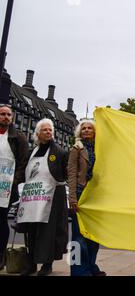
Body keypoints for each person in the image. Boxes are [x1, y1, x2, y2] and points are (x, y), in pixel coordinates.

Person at [18, 118, 68, 276]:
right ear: (38, 133)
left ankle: (47, 264)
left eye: (50, 130)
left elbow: (65, 174)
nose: (48, 132)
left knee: (48, 232)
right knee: (31, 231)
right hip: (32, 197)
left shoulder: (60, 152)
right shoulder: (31, 152)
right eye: (45, 130)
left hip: (52, 197)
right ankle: (31, 263)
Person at [68, 119, 106, 276]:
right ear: (79, 132)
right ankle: (77, 270)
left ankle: (91, 266)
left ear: (95, 132)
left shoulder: (100, 150)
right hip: (80, 194)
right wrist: (72, 198)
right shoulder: (76, 149)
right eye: (84, 128)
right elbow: (71, 174)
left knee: (94, 235)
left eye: (90, 128)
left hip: (95, 196)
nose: (87, 130)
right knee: (78, 237)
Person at [0, 104, 28, 271]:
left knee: (1, 220)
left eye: (8, 114)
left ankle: (1, 255)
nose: (5, 117)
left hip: (7, 187)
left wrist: (14, 182)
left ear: (12, 117)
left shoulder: (19, 137)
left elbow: (23, 163)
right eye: (2, 114)